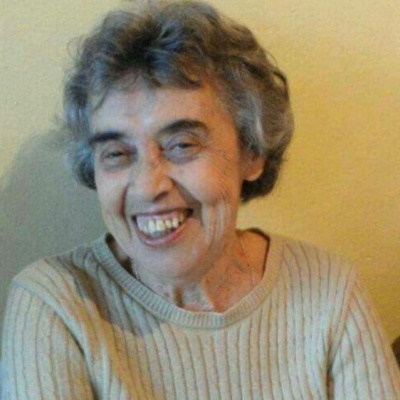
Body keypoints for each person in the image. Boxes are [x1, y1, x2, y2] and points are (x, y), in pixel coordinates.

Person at [2, 1, 399, 398]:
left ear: (252, 151)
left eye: (181, 144)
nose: (147, 187)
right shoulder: (56, 306)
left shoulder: (329, 293)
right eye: (117, 153)